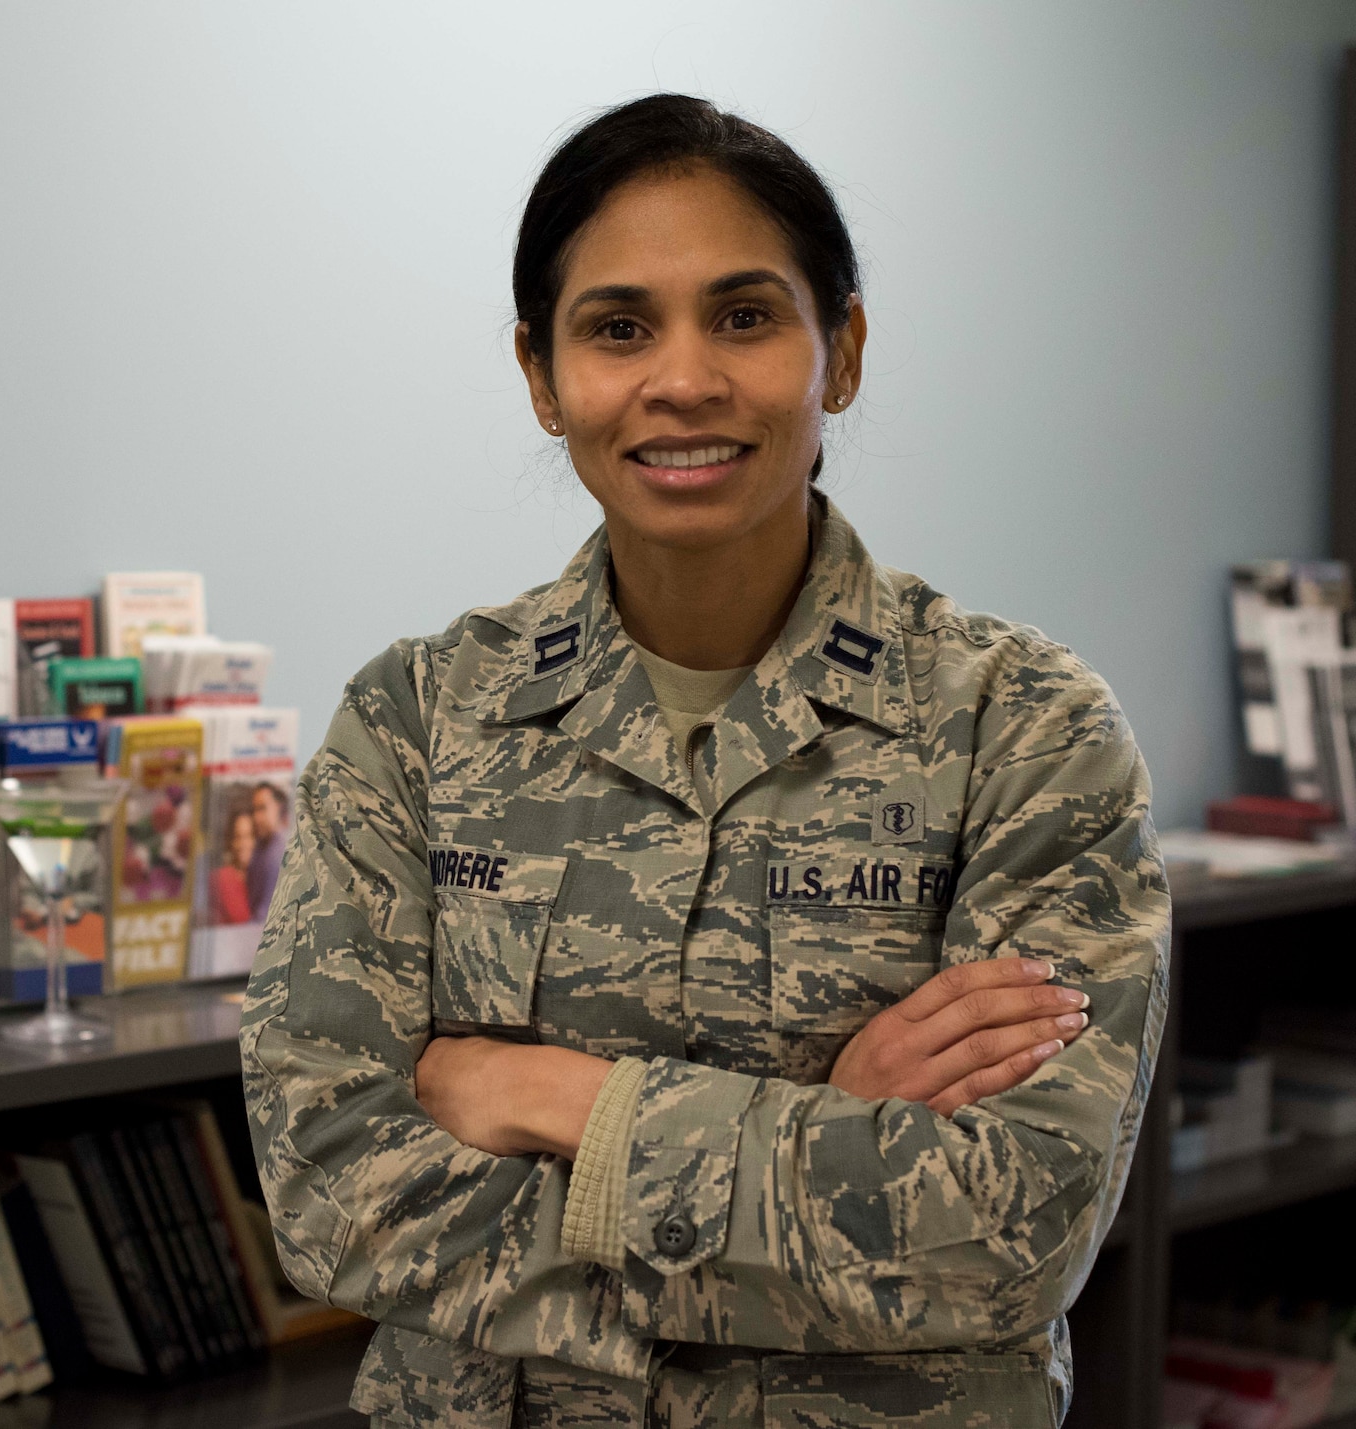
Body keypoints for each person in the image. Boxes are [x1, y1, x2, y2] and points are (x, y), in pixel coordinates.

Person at [241, 94, 1166, 1429]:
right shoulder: (416, 721)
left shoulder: (1023, 729)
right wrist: (818, 1136)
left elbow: (1006, 1230)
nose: (684, 378)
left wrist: (560, 1098)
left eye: (745, 316)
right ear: (541, 374)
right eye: (619, 328)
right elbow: (332, 1189)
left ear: (840, 350)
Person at [245, 782, 290, 921]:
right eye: (254, 810)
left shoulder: (278, 855)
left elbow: (263, 917)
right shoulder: (261, 847)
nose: (256, 818)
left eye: (262, 809)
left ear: (278, 808)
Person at [212, 806, 257, 925]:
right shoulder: (222, 878)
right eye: (238, 837)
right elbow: (243, 920)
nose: (243, 844)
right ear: (231, 841)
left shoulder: (260, 875)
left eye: (249, 836)